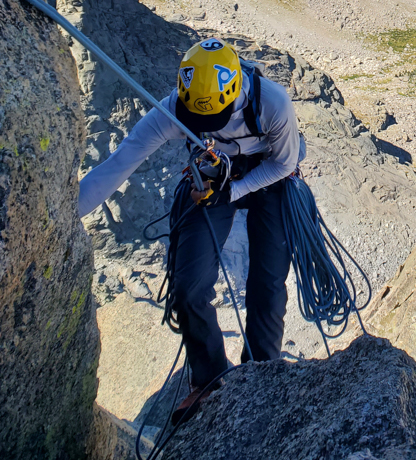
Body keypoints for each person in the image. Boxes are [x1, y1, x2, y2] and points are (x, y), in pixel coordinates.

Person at [79, 37, 304, 420]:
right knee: (188, 286)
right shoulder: (176, 109)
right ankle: (210, 379)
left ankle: (260, 374)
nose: (202, 126)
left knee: (267, 283)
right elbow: (121, 162)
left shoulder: (273, 103)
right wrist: (63, 213)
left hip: (267, 177)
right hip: (212, 179)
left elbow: (285, 163)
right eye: (198, 122)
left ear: (236, 93)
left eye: (211, 121)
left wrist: (235, 189)